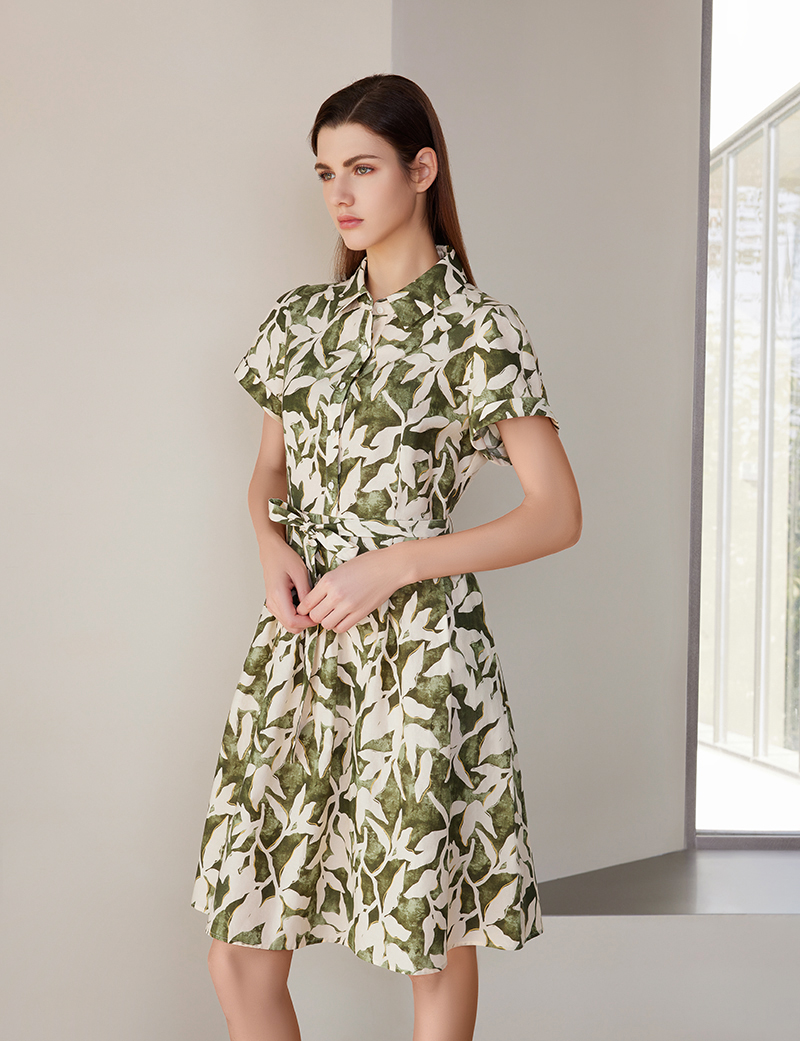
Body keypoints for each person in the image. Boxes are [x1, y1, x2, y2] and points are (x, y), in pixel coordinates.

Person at [191, 73, 582, 1041]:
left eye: (361, 168)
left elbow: (557, 513)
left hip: (419, 659)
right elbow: (267, 473)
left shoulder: (479, 330)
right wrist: (268, 542)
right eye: (326, 172)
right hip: (300, 652)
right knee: (238, 947)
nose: (340, 193)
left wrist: (400, 562)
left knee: (425, 938)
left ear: (421, 169)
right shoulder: (299, 321)